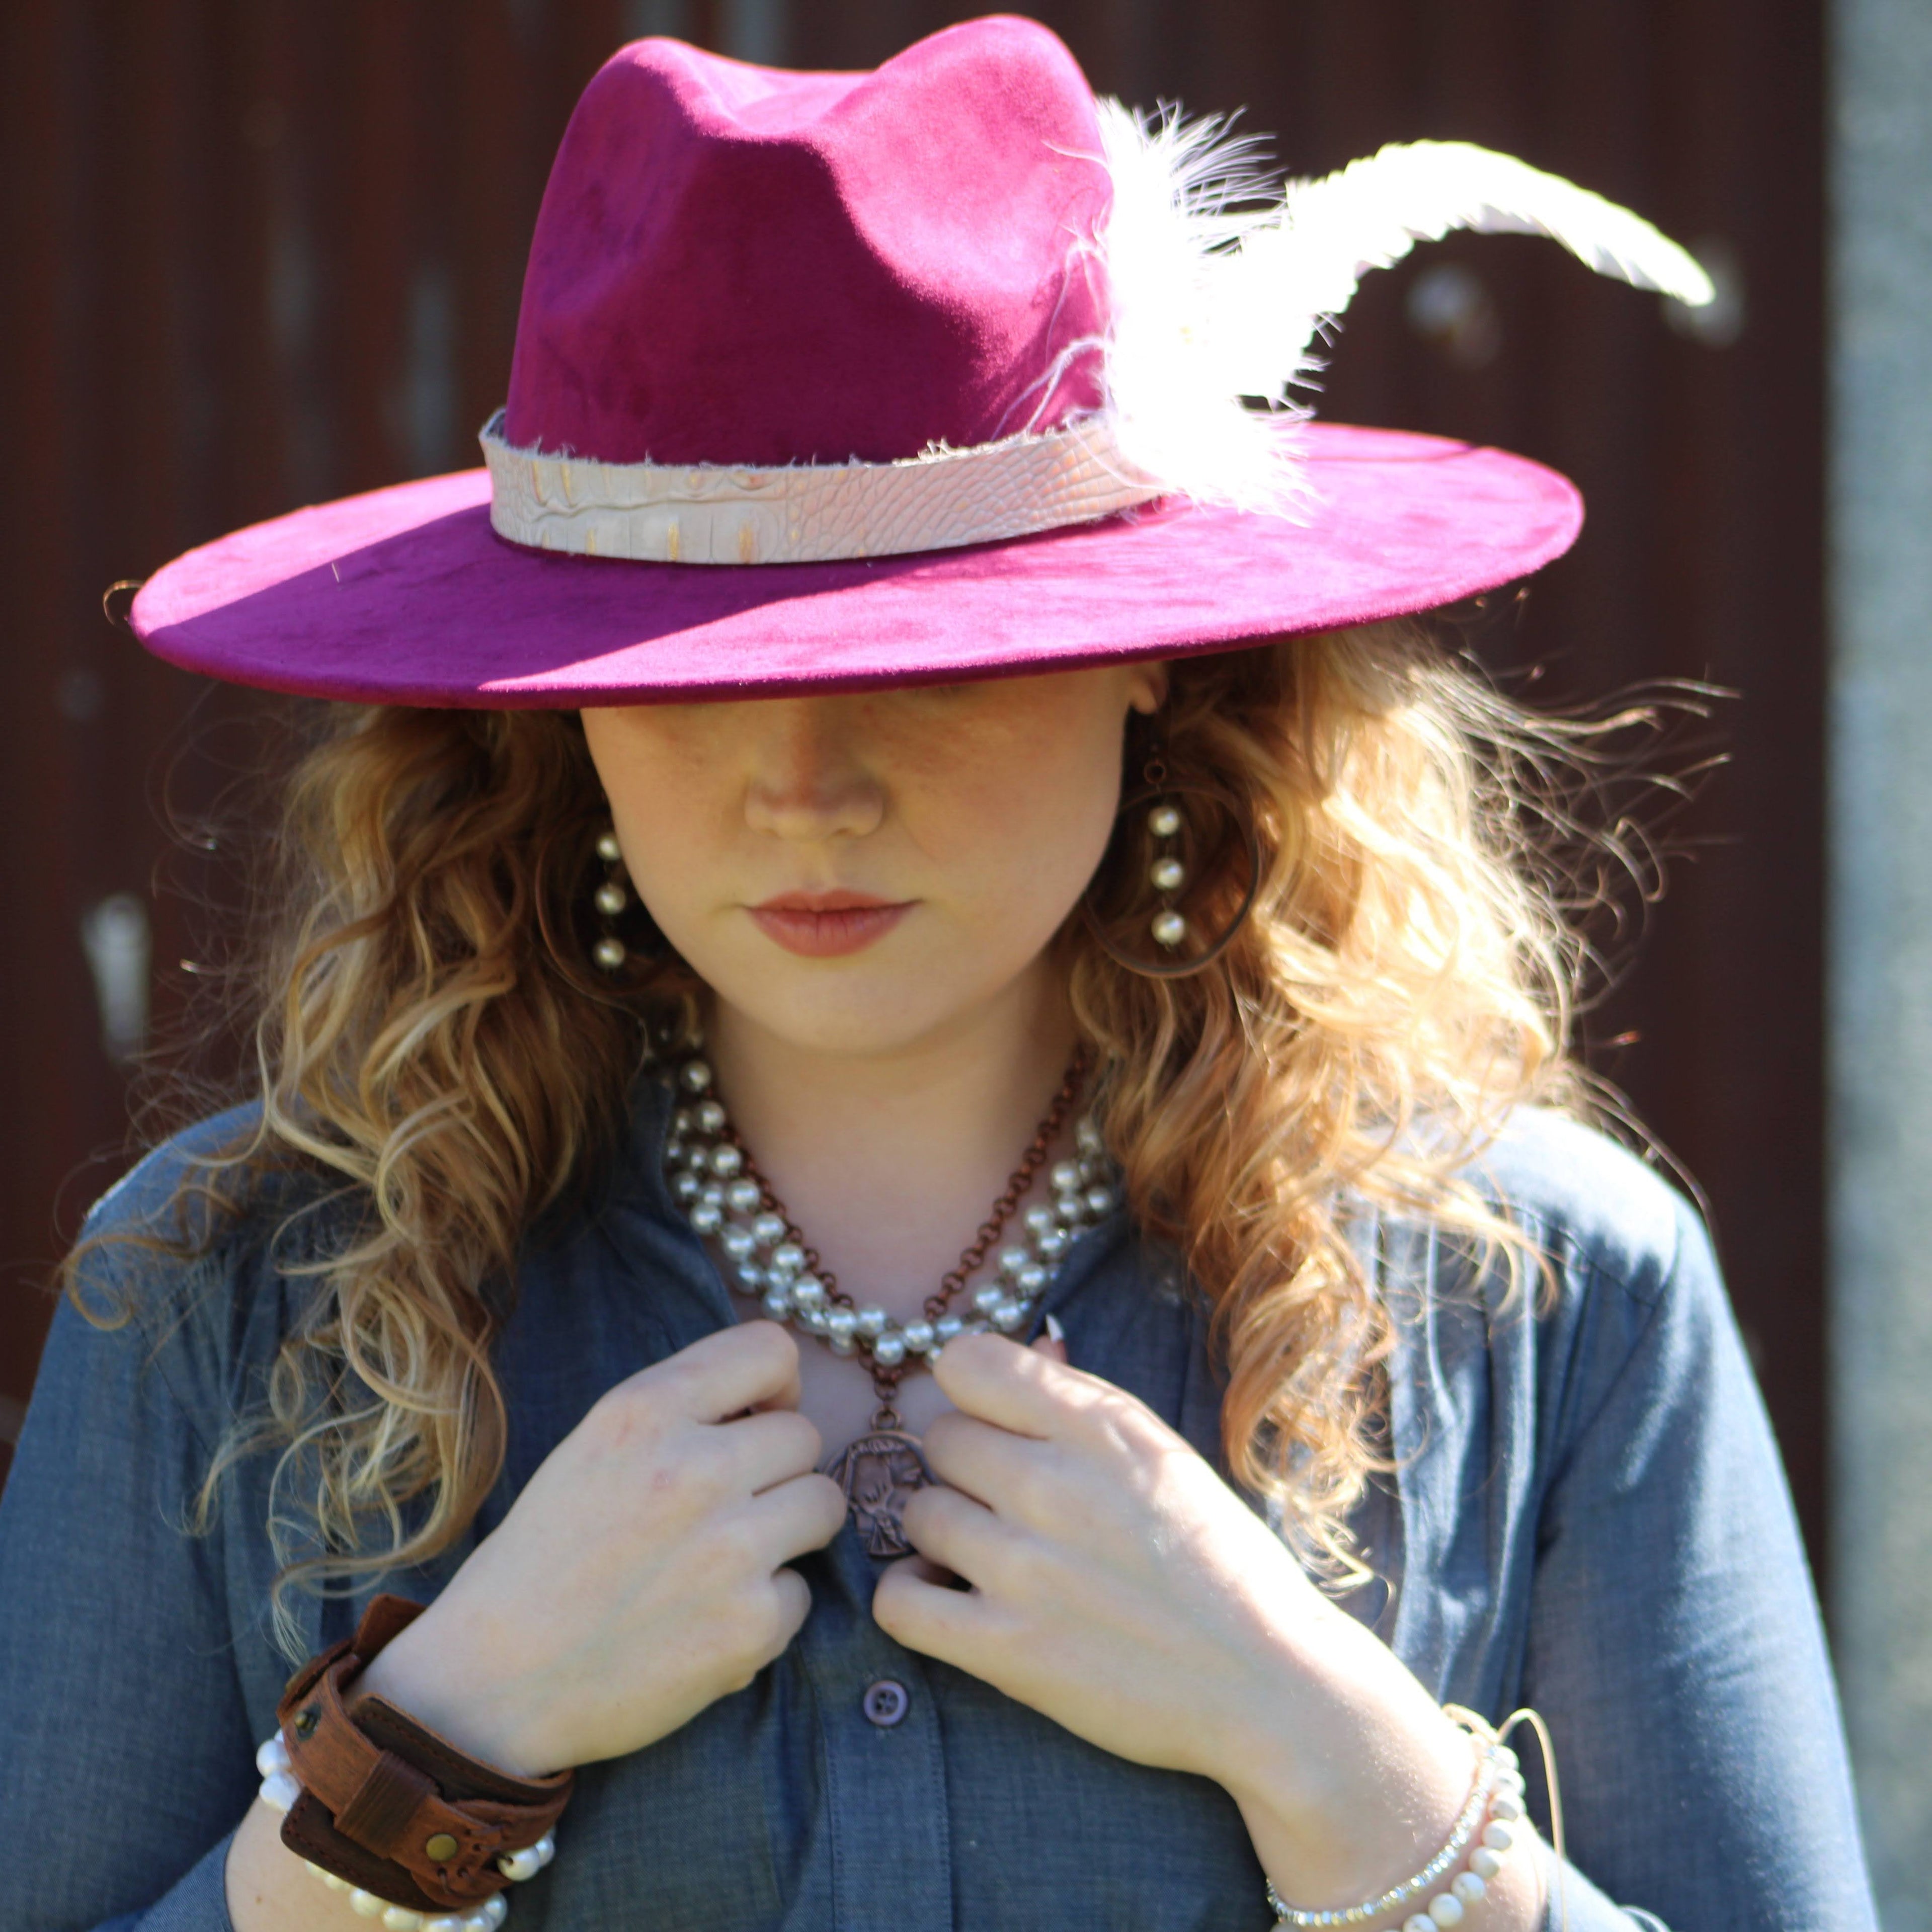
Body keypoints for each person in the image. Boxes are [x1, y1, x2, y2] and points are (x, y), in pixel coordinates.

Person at [0, 17, 1878, 1932]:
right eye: (684, 673)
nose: (808, 787)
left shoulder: (1550, 1290)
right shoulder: (222, 1295)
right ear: (556, 707)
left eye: (934, 658)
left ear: (1149, 647)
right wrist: (439, 1750)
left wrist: (1332, 1759)